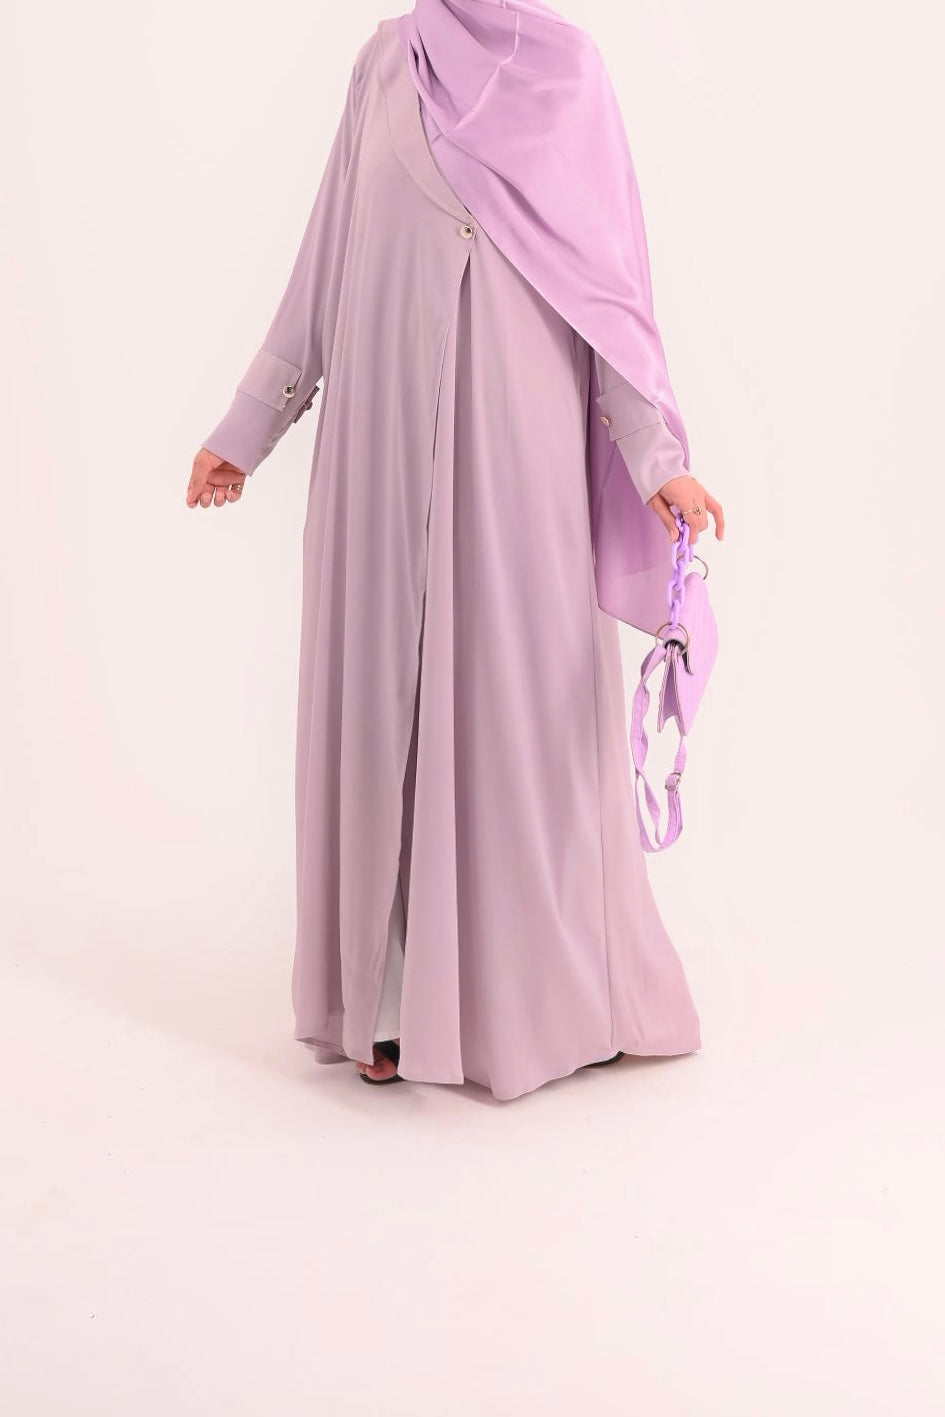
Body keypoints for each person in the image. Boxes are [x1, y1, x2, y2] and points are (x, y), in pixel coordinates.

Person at [186, 1, 725, 1101]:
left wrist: (657, 458)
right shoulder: (388, 63)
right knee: (383, 702)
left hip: (514, 461)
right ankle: (385, 1004)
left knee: (514, 715)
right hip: (378, 452)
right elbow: (325, 270)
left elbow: (609, 297)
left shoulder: (570, 78)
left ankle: (554, 999)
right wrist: (248, 426)